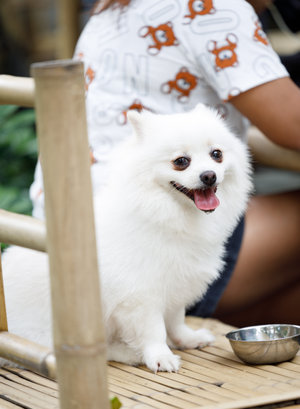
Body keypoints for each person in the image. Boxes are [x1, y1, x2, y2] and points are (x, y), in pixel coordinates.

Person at [30, 0, 300, 326]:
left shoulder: (116, 6)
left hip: (72, 243)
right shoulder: (217, 8)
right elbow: (292, 125)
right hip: (147, 258)